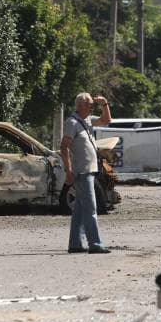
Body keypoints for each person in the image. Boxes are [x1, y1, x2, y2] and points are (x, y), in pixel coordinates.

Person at [61, 92, 112, 254]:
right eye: (90, 105)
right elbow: (64, 147)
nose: (92, 108)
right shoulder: (72, 122)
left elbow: (106, 120)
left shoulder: (87, 121)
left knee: (80, 210)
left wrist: (105, 104)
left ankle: (75, 244)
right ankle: (95, 244)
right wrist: (68, 170)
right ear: (81, 105)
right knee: (91, 208)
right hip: (81, 172)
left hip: (89, 171)